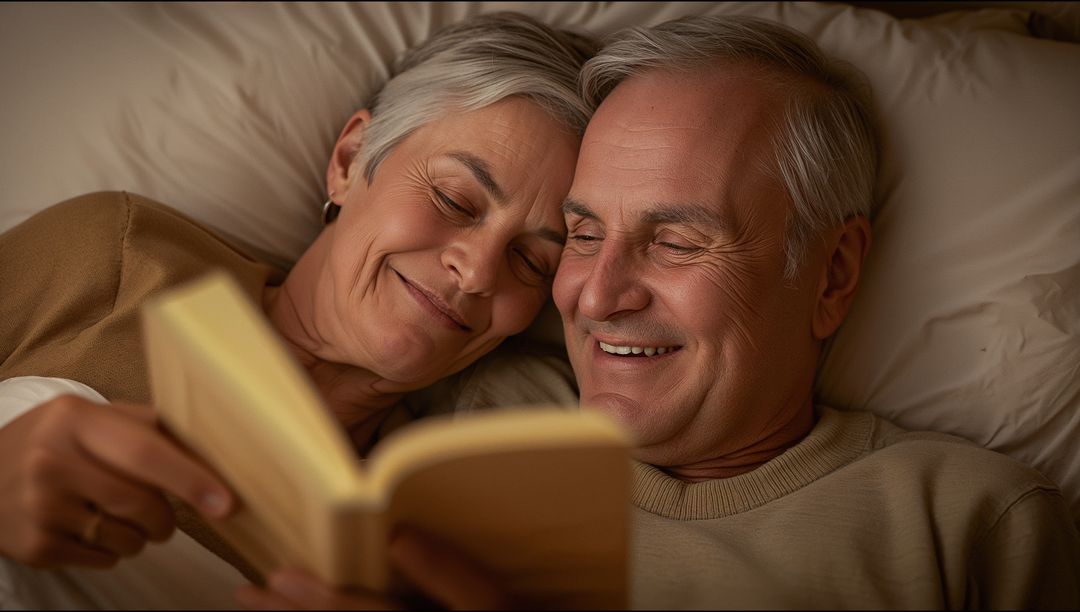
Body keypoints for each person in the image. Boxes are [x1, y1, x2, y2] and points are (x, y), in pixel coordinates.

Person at [240, 14, 1080, 610]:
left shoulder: (968, 525)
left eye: (676, 241)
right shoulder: (445, 425)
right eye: (579, 235)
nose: (597, 296)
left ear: (831, 276)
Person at [0, 11, 594, 609]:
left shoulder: (436, 535)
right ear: (350, 159)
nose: (479, 270)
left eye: (531, 262)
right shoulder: (115, 259)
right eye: (453, 198)